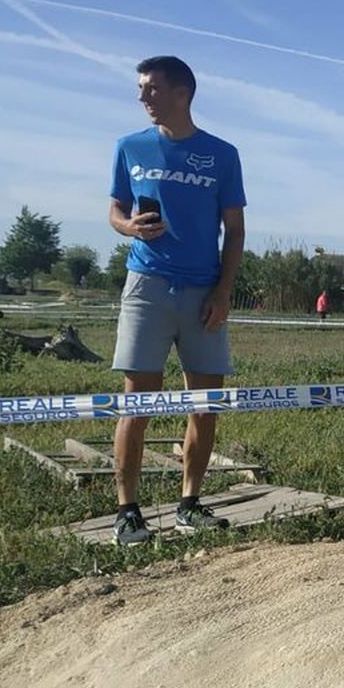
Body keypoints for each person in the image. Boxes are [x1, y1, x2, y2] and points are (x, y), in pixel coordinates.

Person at [107, 55, 247, 546]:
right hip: (146, 286)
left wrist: (224, 291)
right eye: (141, 89)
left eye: (152, 88)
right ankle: (128, 512)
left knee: (204, 405)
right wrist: (128, 227)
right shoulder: (130, 147)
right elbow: (115, 208)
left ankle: (190, 503)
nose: (143, 97)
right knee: (136, 402)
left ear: (182, 92)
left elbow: (234, 230)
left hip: (203, 292)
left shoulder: (222, 155)